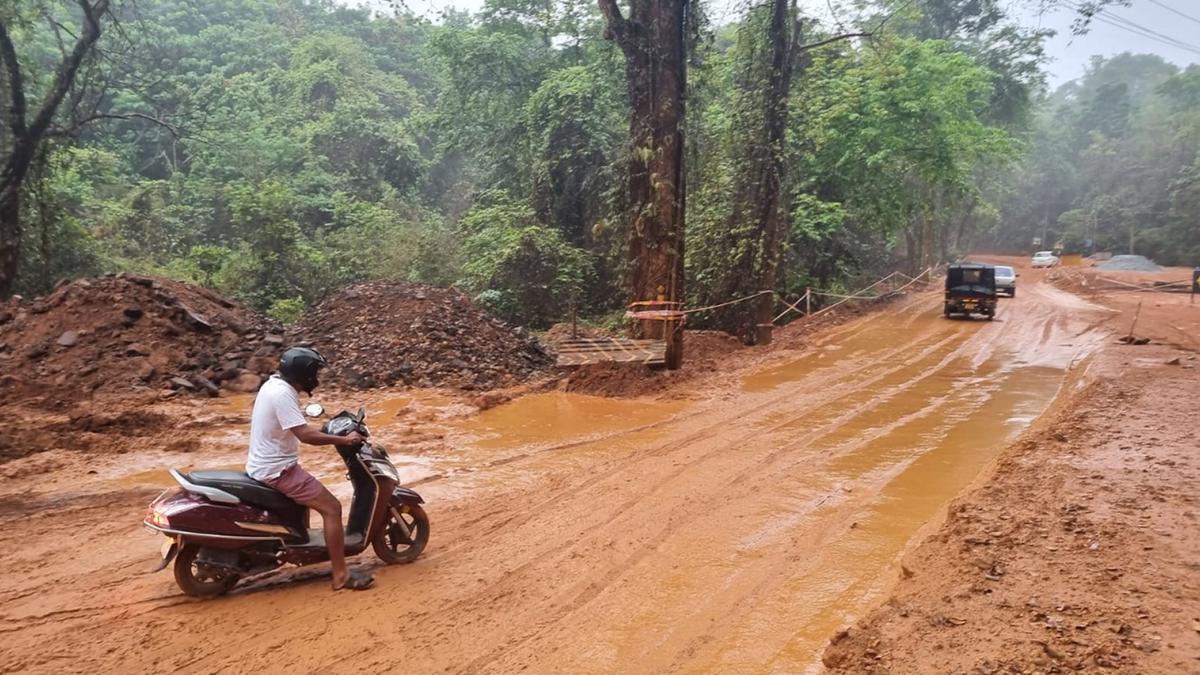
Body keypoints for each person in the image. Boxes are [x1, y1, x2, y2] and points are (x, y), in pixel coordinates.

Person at [246, 346, 373, 591]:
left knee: (308, 503)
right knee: (332, 508)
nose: (316, 377)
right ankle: (341, 576)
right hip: (278, 470)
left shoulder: (273, 385)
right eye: (314, 372)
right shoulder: (283, 394)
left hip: (266, 464)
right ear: (303, 373)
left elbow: (294, 423)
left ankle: (303, 550)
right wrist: (345, 440)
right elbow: (305, 435)